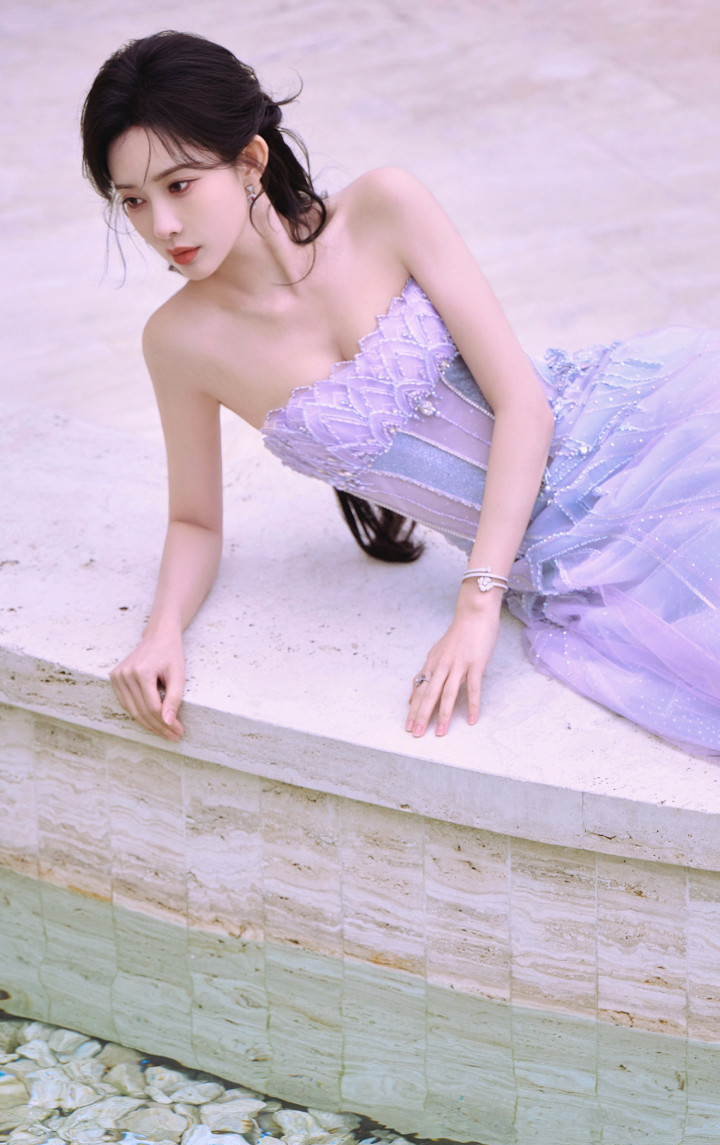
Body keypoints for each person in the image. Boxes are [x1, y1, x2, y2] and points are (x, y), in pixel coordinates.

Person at [81, 30, 720, 759]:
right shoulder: (181, 343)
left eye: (179, 185)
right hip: (558, 563)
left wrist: (477, 603)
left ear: (250, 161)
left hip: (636, 441)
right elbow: (195, 521)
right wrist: (160, 633)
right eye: (133, 201)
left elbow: (525, 405)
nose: (161, 226)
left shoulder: (384, 207)